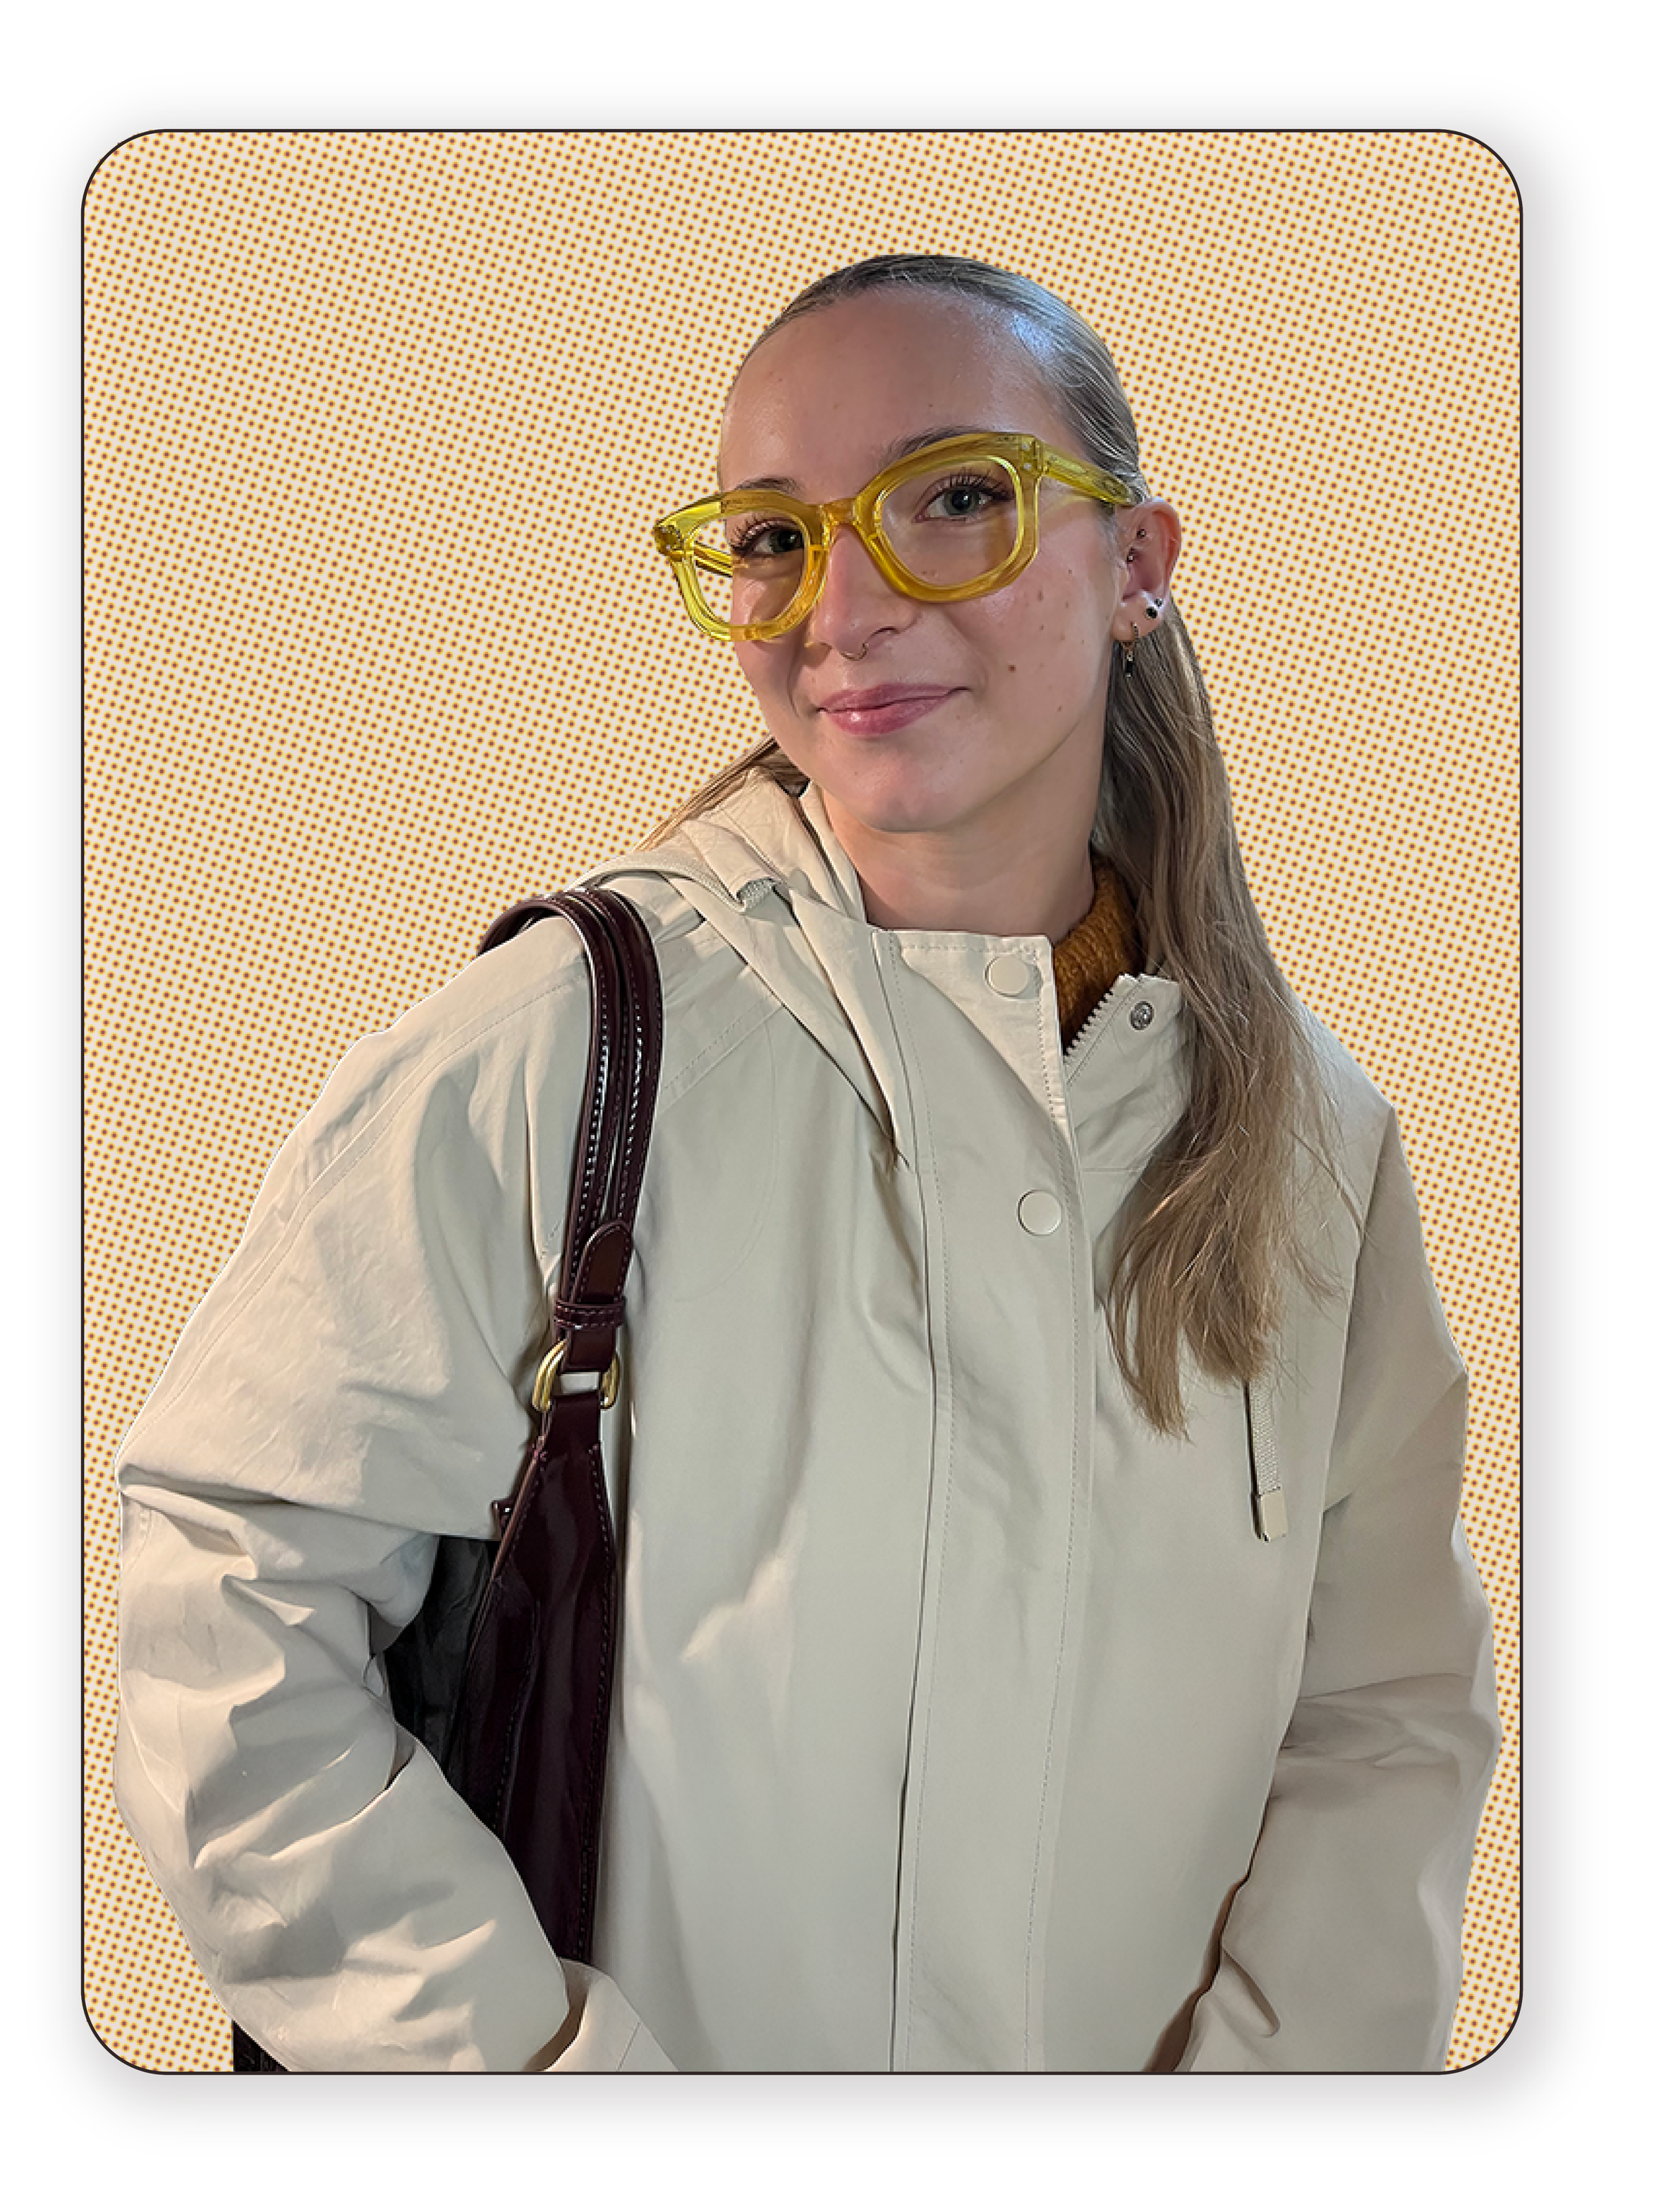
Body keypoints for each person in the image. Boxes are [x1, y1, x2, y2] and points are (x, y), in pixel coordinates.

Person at [113, 252, 1500, 2072]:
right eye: (771, 534)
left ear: (1140, 564)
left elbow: (1383, 1707)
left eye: (956, 502)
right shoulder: (565, 1043)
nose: (844, 603)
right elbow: (230, 1588)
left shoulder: (1312, 1143)